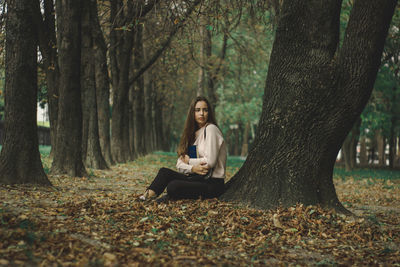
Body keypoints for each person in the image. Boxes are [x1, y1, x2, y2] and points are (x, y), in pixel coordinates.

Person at [139, 96, 227, 202]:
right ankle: (145, 198)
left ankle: (166, 198)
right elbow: (180, 164)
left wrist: (190, 161)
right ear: (192, 113)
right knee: (164, 172)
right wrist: (192, 168)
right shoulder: (192, 134)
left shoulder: (211, 129)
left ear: (209, 112)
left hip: (213, 184)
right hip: (197, 177)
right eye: (197, 110)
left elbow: (210, 162)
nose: (202, 113)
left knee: (173, 186)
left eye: (205, 110)